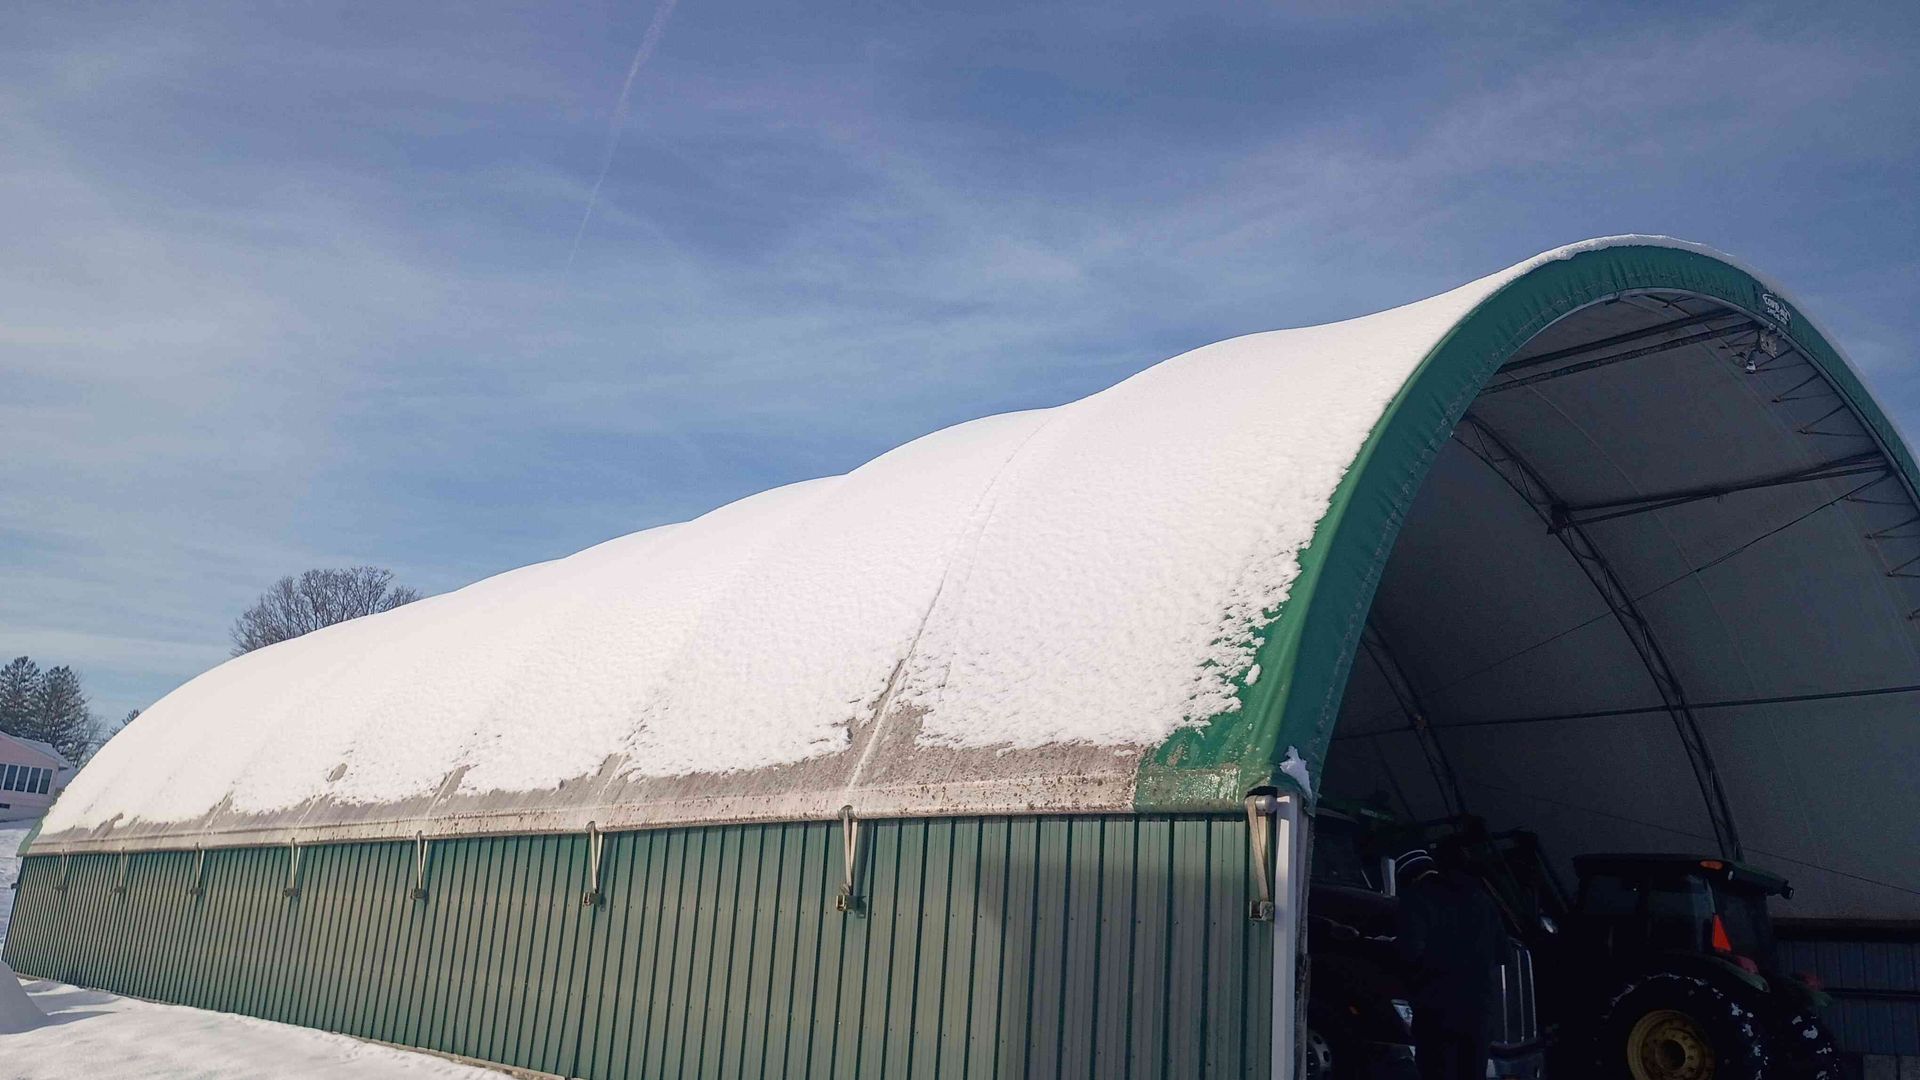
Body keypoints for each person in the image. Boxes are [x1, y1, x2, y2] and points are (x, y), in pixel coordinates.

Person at [1393, 847, 1506, 1080]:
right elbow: (1502, 953)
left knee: (1436, 1071)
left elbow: (1409, 952)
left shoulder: (1417, 898)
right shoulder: (1482, 899)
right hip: (1478, 1011)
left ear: (1407, 877)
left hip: (1436, 1009)